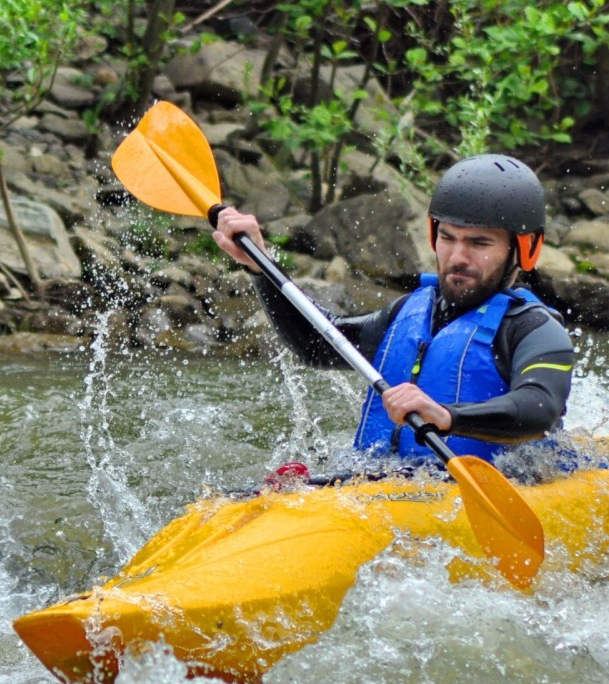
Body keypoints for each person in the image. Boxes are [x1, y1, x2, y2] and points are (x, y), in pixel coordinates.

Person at [213, 154, 576, 465]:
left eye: (479, 243)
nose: (457, 257)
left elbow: (540, 408)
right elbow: (317, 345)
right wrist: (259, 268)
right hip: (388, 488)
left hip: (484, 487)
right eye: (447, 237)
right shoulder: (412, 311)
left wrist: (449, 417)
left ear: (524, 249)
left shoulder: (534, 330)